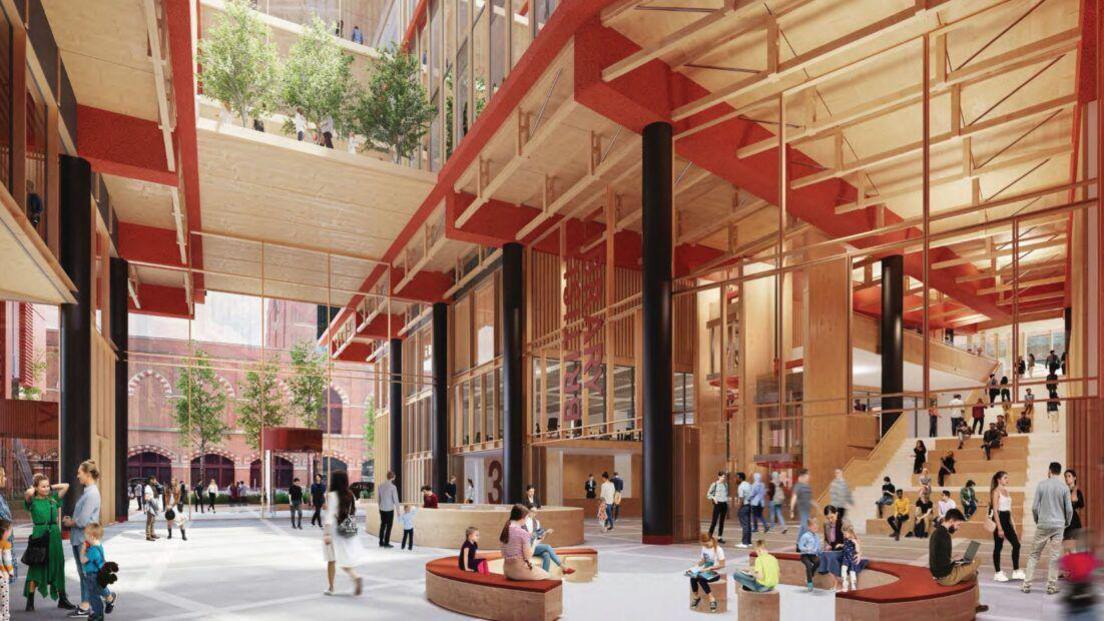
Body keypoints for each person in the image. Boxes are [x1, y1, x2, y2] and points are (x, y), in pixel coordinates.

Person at [63, 460, 114, 617]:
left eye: (80, 472)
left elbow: (83, 521)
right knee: (86, 574)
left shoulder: (91, 494)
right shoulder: (89, 492)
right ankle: (104, 598)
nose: (78, 475)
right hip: (82, 538)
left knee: (88, 574)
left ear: (88, 474)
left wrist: (70, 522)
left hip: (84, 540)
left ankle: (96, 602)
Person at [23, 474, 74, 611]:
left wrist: (49, 487)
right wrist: (35, 488)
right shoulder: (32, 501)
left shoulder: (53, 499)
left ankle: (62, 599)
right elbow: (27, 493)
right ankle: (30, 601)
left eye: (47, 486)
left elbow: (66, 486)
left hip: (54, 536)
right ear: (36, 488)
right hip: (39, 535)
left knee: (58, 564)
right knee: (36, 567)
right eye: (43, 486)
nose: (46, 489)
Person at [1022, 461, 1073, 594]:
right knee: (1054, 556)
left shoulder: (1041, 485)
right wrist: (1066, 522)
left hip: (1043, 524)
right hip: (1058, 525)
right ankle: (1051, 586)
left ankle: (1026, 585)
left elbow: (1034, 507)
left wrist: (1037, 520)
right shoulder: (1064, 488)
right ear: (1059, 472)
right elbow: (1069, 510)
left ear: (1049, 471)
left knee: (1034, 555)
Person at [930, 509, 989, 614]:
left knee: (973, 575)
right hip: (946, 577)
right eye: (959, 524)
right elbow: (944, 565)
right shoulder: (944, 536)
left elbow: (939, 558)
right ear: (952, 520)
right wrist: (955, 561)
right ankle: (975, 605)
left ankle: (976, 605)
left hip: (939, 573)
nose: (958, 528)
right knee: (978, 560)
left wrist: (955, 560)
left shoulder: (937, 533)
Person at [322, 470, 362, 596]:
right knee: (343, 558)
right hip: (345, 529)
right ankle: (355, 577)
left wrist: (327, 533)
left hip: (333, 529)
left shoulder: (331, 495)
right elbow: (351, 512)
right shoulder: (350, 494)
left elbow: (329, 516)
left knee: (331, 560)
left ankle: (331, 588)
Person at [500, 504, 548, 581]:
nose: (526, 519)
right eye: (526, 517)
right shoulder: (523, 533)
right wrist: (535, 543)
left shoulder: (505, 530)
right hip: (518, 571)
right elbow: (528, 557)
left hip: (506, 570)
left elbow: (503, 553)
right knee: (548, 576)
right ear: (522, 518)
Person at [990, 470, 1022, 581]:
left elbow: (1009, 509)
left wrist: (1013, 523)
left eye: (1007, 477)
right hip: (999, 520)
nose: (1007, 480)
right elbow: (995, 510)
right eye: (1005, 478)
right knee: (998, 547)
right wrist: (999, 528)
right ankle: (998, 573)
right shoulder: (996, 491)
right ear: (999, 480)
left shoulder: (1006, 491)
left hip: (1007, 520)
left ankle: (1016, 571)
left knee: (1016, 545)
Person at [688, 533, 726, 612]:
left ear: (711, 540)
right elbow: (703, 560)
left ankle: (712, 599)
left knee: (701, 579)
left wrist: (709, 568)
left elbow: (722, 565)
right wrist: (694, 567)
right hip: (705, 571)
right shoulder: (704, 548)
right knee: (693, 577)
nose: (705, 546)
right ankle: (696, 597)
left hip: (715, 573)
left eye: (706, 544)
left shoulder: (718, 549)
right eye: (704, 544)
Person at [78, 523, 107, 621]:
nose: (85, 538)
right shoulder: (98, 546)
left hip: (93, 576)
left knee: (94, 596)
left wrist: (82, 550)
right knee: (95, 595)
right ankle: (97, 612)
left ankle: (98, 615)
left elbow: (82, 560)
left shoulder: (93, 550)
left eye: (86, 536)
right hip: (96, 575)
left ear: (92, 537)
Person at [839, 524, 866, 593]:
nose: (844, 535)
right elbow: (845, 545)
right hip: (846, 558)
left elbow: (857, 550)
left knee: (852, 572)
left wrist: (856, 543)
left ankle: (853, 586)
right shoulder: (845, 539)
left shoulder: (854, 540)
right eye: (843, 534)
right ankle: (845, 585)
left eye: (845, 534)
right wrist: (841, 545)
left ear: (850, 533)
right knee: (843, 569)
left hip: (852, 558)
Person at [790, 469, 815, 541]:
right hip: (802, 510)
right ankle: (801, 543)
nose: (809, 476)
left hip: (807, 511)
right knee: (805, 526)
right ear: (803, 476)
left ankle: (798, 542)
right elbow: (794, 497)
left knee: (803, 527)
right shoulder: (798, 486)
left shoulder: (808, 486)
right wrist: (791, 511)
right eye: (808, 474)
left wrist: (816, 506)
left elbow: (810, 499)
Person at [797, 517, 822, 591]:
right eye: (814, 527)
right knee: (808, 565)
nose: (816, 528)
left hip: (813, 555)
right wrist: (807, 549)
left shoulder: (817, 536)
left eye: (816, 527)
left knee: (818, 561)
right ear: (809, 527)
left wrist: (819, 550)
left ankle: (811, 574)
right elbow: (800, 546)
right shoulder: (805, 536)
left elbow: (817, 545)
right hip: (805, 555)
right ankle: (810, 583)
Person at [1063, 469, 1084, 553]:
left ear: (1074, 478)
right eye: (1065, 477)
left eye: (1069, 476)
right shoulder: (1063, 491)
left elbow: (1081, 504)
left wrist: (1074, 493)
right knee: (1066, 551)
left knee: (1073, 550)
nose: (1067, 478)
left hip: (1074, 522)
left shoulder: (1077, 491)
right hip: (1065, 523)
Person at [377, 471, 399, 548]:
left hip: (382, 508)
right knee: (389, 526)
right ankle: (386, 543)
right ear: (393, 477)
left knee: (382, 525)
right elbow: (396, 500)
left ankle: (380, 542)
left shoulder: (380, 486)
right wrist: (398, 511)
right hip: (389, 509)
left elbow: (379, 499)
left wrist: (379, 507)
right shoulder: (393, 487)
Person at [705, 471, 729, 543]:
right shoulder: (714, 484)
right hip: (717, 504)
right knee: (714, 521)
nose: (723, 478)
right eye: (722, 477)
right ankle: (709, 536)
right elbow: (708, 494)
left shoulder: (726, 485)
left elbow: (726, 494)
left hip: (724, 504)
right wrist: (714, 498)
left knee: (722, 522)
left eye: (724, 477)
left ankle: (720, 537)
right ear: (719, 476)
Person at [735, 472, 752, 548]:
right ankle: (748, 542)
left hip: (744, 507)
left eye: (737, 477)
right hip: (749, 506)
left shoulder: (741, 486)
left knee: (744, 525)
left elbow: (741, 499)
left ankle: (744, 543)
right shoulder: (748, 485)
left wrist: (738, 509)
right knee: (748, 524)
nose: (735, 479)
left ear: (740, 478)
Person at [143, 475, 160, 541]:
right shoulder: (148, 487)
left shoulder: (153, 486)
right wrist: (152, 502)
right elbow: (147, 497)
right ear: (151, 480)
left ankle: (152, 533)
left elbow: (160, 488)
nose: (156, 481)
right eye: (155, 480)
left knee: (153, 521)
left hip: (154, 505)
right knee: (149, 521)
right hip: (150, 505)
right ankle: (148, 536)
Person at [0, 518, 11, 621]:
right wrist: (10, 571)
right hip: (2, 576)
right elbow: (7, 560)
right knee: (4, 600)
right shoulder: (5, 543)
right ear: (6, 531)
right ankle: (5, 617)